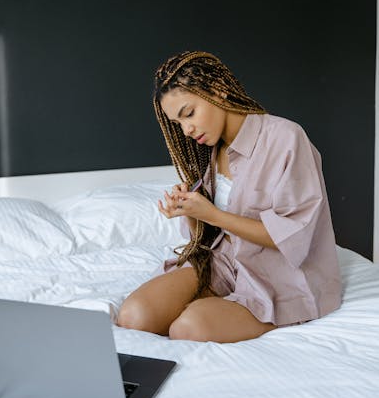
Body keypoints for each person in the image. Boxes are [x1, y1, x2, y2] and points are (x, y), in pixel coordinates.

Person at [116, 50, 343, 343]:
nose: (187, 130)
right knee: (134, 316)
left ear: (218, 91)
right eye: (178, 123)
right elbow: (207, 238)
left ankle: (277, 313)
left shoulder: (285, 138)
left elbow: (292, 236)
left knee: (187, 329)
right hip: (222, 265)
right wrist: (190, 210)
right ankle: (220, 304)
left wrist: (213, 213)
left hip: (279, 277)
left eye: (189, 113)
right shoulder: (210, 151)